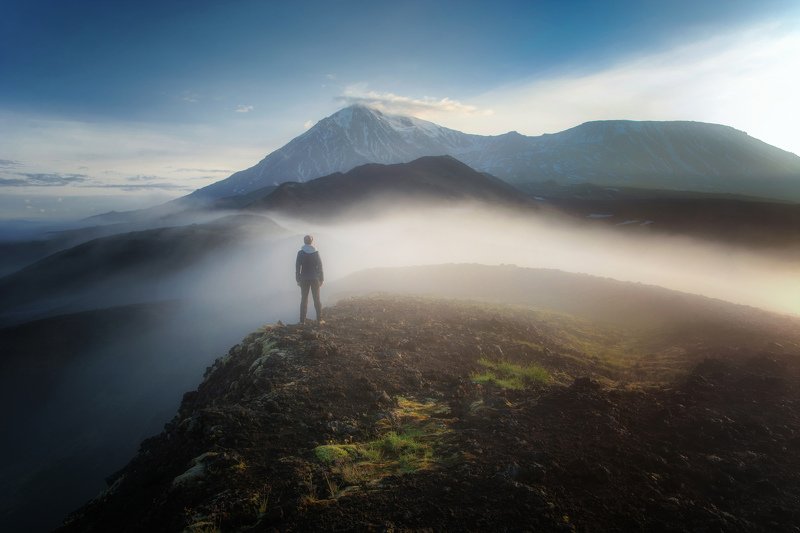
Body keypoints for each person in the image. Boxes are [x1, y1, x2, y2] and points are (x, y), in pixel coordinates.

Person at [295, 234, 324, 324]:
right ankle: (319, 320)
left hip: (304, 279)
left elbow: (297, 267)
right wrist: (321, 279)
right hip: (315, 278)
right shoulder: (316, 252)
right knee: (317, 299)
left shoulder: (300, 253)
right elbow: (320, 266)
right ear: (312, 241)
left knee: (304, 299)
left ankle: (302, 321)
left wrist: (298, 279)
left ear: (304, 241)